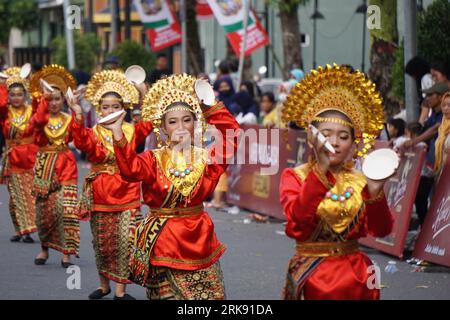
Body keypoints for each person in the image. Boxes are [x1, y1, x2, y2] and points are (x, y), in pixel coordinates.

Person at [104, 74, 240, 300]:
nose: (180, 126)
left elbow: (233, 135)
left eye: (186, 120)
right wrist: (118, 133)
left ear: (195, 123)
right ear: (164, 128)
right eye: (173, 121)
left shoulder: (207, 159)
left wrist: (210, 106)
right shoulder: (152, 159)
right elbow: (129, 170)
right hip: (164, 240)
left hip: (199, 238)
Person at [280, 64, 393, 300]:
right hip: (313, 275)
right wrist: (319, 171)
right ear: (312, 138)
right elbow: (297, 224)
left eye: (343, 136)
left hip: (358, 276)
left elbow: (382, 230)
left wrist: (375, 193)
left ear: (353, 143)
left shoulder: (361, 180)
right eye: (327, 134)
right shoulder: (296, 176)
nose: (336, 142)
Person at [67, 69, 152, 300]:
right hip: (101, 193)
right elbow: (80, 141)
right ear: (99, 110)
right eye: (106, 107)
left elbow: (150, 121)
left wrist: (143, 95)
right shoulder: (93, 133)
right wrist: (76, 112)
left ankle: (120, 291)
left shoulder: (131, 130)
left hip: (127, 192)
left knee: (126, 241)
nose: (111, 111)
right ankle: (103, 285)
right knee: (103, 243)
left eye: (116, 107)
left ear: (123, 108)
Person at [30, 64, 80, 268]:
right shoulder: (39, 119)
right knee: (45, 213)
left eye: (57, 98)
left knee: (67, 210)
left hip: (66, 165)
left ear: (64, 100)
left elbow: (80, 136)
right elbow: (39, 120)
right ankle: (44, 249)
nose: (53, 103)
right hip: (44, 167)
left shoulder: (69, 118)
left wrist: (77, 110)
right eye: (50, 99)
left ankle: (67, 253)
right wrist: (44, 97)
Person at [0, 66, 38, 243]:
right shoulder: (5, 112)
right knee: (17, 195)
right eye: (12, 94)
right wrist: (2, 83)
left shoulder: (31, 110)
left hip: (30, 157)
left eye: (20, 94)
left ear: (25, 95)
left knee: (27, 194)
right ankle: (23, 230)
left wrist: (32, 82)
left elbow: (43, 109)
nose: (16, 98)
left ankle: (23, 230)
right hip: (13, 158)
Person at [403, 82, 450, 225]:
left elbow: (434, 130)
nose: (427, 97)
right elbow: (423, 128)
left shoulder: (441, 123)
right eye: (445, 105)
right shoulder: (441, 121)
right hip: (436, 170)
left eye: (431, 94)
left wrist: (414, 141)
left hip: (444, 174)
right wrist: (424, 113)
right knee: (427, 200)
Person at [434, 92, 450, 180]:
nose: (446, 108)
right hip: (442, 174)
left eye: (449, 105)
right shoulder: (442, 129)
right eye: (444, 105)